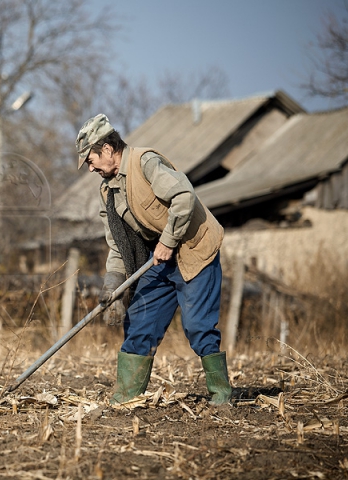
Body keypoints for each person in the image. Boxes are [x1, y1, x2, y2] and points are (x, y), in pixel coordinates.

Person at [75, 113, 232, 405]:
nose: (90, 167)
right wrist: (113, 284)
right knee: (138, 324)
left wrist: (168, 240)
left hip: (194, 248)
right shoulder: (107, 190)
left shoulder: (145, 163)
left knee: (198, 327)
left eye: (90, 159)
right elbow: (117, 243)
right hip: (158, 260)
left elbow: (185, 197)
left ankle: (222, 396)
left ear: (107, 149)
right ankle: (125, 398)